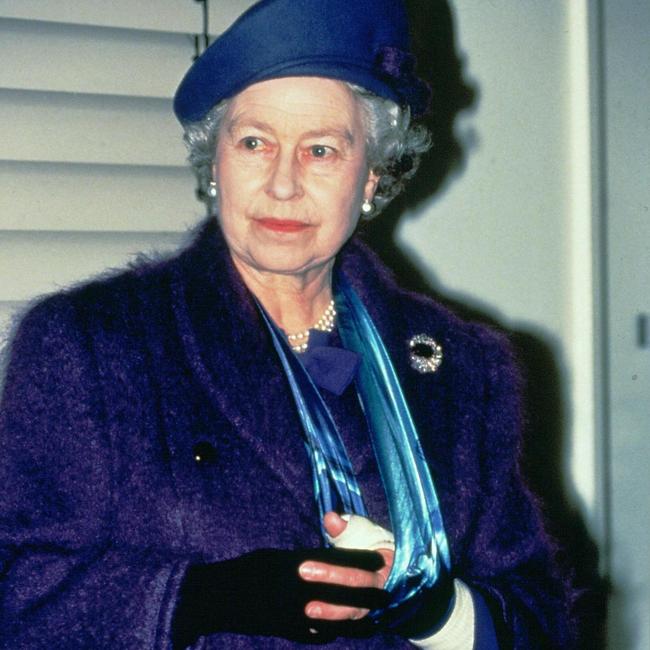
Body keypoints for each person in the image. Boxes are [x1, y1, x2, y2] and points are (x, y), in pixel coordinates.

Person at [0, 0, 574, 648]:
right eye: (254, 142)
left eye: (321, 150)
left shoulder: (465, 367)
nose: (281, 184)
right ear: (213, 162)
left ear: (372, 176)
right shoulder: (91, 347)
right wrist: (200, 600)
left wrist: (439, 611)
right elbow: (18, 597)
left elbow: (541, 617)